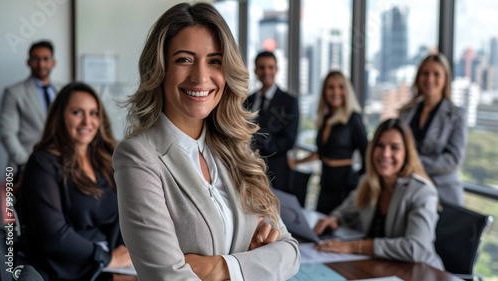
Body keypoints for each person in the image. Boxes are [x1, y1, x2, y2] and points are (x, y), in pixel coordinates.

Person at [113, 2, 300, 281]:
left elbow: (291, 252)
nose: (201, 77)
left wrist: (220, 268)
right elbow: (169, 278)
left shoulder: (236, 150)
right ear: (160, 68)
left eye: (214, 61)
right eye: (184, 59)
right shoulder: (138, 157)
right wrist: (254, 263)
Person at [16, 82, 131, 281]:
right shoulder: (42, 164)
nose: (87, 121)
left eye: (94, 113)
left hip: (109, 265)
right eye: (77, 112)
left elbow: (122, 218)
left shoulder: (106, 160)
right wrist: (107, 259)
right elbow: (53, 235)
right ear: (60, 117)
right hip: (64, 270)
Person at [313, 118, 444, 270]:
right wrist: (334, 218)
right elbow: (347, 211)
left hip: (420, 272)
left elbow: (416, 248)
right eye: (380, 146)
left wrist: (354, 247)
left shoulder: (422, 191)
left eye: (394, 147)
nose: (385, 154)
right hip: (384, 268)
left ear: (407, 153)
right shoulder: (370, 182)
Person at [288, 71, 368, 214]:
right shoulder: (325, 118)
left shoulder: (354, 118)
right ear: (325, 91)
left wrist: (358, 183)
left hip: (344, 186)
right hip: (325, 183)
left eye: (340, 86)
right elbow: (322, 152)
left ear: (346, 90)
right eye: (331, 87)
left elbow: (367, 154)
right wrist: (296, 162)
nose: (336, 91)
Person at [399, 53, 467, 205]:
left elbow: (454, 159)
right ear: (418, 77)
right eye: (425, 73)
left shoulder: (456, 115)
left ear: (445, 80)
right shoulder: (406, 113)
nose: (430, 79)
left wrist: (413, 164)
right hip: (409, 191)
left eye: (436, 74)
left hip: (443, 194)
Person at [0, 40, 61, 180]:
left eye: (46, 59)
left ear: (53, 62)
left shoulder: (63, 90)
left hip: (58, 166)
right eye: (36, 59)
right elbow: (7, 134)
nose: (41, 64)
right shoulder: (13, 92)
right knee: (14, 201)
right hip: (22, 167)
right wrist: (28, 163)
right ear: (28, 62)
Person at [243, 51, 300, 192]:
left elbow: (289, 140)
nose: (266, 71)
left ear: (276, 69)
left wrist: (259, 149)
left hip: (276, 170)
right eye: (261, 67)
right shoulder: (248, 99)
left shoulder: (289, 101)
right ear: (256, 70)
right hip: (247, 167)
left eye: (270, 67)